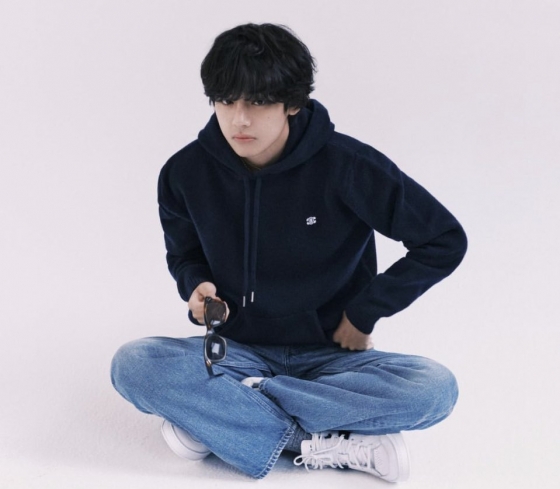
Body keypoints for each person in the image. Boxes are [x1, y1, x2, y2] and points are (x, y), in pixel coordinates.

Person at [111, 23, 467, 483]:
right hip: (237, 351)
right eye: (226, 101)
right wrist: (195, 286)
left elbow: (443, 239)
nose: (239, 120)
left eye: (257, 103)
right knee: (134, 364)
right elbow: (184, 254)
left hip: (333, 358)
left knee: (433, 390)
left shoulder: (348, 166)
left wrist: (364, 312)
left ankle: (228, 415)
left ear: (293, 103)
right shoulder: (185, 173)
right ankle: (312, 440)